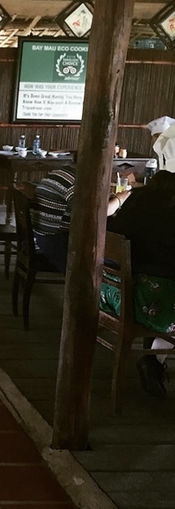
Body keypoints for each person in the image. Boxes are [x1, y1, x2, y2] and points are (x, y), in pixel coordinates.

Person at [105, 170, 175, 397]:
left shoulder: (134, 202)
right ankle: (154, 359)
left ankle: (154, 360)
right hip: (145, 300)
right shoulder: (169, 215)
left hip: (111, 292)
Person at [31, 165, 130, 272]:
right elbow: (97, 213)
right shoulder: (75, 182)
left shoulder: (62, 173)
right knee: (120, 265)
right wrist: (120, 198)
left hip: (41, 237)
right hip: (56, 244)